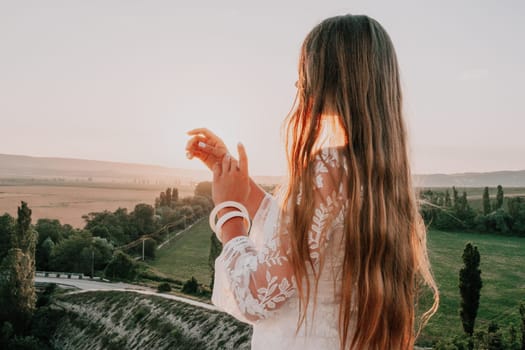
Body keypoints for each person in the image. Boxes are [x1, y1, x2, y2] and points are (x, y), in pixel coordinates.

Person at [185, 14, 439, 350]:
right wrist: (241, 185)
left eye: (305, 69)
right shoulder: (378, 174)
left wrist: (229, 213)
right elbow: (299, 237)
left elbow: (257, 295)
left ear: (331, 75)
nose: (297, 85)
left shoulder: (327, 166)